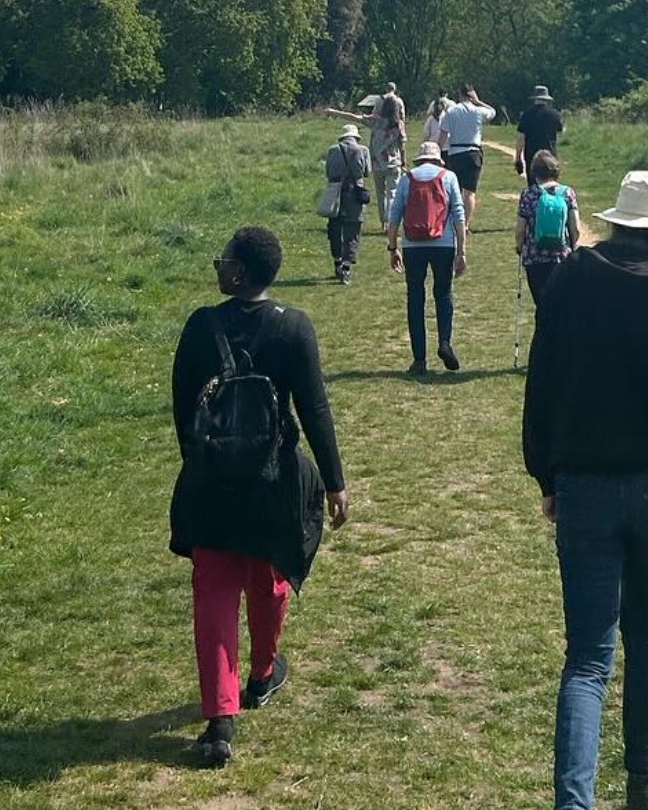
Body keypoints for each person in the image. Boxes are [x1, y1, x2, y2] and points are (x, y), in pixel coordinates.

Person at [522, 171, 648, 810]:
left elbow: (542, 381)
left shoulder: (573, 280)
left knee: (586, 657)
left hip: (583, 480)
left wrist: (546, 474)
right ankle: (645, 778)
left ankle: (573, 803)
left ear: (615, 223)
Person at [169, 226, 349, 766]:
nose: (218, 265)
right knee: (268, 578)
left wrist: (202, 460)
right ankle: (264, 671)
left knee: (214, 595)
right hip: (273, 482)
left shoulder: (202, 326)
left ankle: (220, 718)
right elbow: (314, 409)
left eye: (224, 259)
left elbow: (183, 409)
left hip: (212, 484)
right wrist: (336, 482)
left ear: (240, 272)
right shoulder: (295, 328)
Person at [386, 142, 467, 374]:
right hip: (443, 244)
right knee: (443, 293)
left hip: (413, 245)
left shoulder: (406, 178)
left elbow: (394, 216)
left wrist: (392, 248)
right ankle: (444, 342)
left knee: (415, 298)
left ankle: (419, 358)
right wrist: (461, 252)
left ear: (420, 159)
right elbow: (459, 216)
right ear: (437, 159)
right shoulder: (448, 176)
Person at [326, 95, 407, 231]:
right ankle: (392, 223)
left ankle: (383, 223)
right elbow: (402, 145)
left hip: (377, 164)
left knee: (380, 195)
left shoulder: (375, 121)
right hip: (394, 163)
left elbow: (354, 117)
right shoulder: (399, 124)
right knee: (392, 193)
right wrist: (404, 162)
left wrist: (335, 112)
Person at [514, 150, 582, 305]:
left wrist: (519, 247)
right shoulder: (567, 193)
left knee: (541, 303)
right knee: (561, 304)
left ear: (534, 172)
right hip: (561, 257)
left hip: (534, 257)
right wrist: (572, 246)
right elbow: (575, 228)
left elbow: (520, 230)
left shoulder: (529, 194)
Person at [437, 84, 496, 230]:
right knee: (469, 192)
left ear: (460, 94)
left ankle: (452, 222)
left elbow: (442, 136)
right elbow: (492, 111)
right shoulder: (477, 111)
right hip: (473, 153)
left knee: (453, 190)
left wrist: (437, 155)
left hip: (455, 153)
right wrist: (478, 101)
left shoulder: (451, 111)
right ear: (471, 95)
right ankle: (465, 225)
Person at [325, 123, 372, 284]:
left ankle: (337, 261)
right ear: (356, 137)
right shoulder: (362, 150)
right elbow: (367, 172)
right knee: (353, 228)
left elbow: (328, 172)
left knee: (335, 227)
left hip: (336, 191)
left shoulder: (332, 150)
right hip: (355, 192)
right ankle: (346, 267)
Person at [515, 84, 564, 186]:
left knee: (533, 186)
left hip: (532, 155)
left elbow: (521, 138)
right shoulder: (554, 114)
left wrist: (518, 157)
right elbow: (560, 131)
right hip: (550, 154)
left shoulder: (527, 115)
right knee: (551, 184)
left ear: (535, 99)